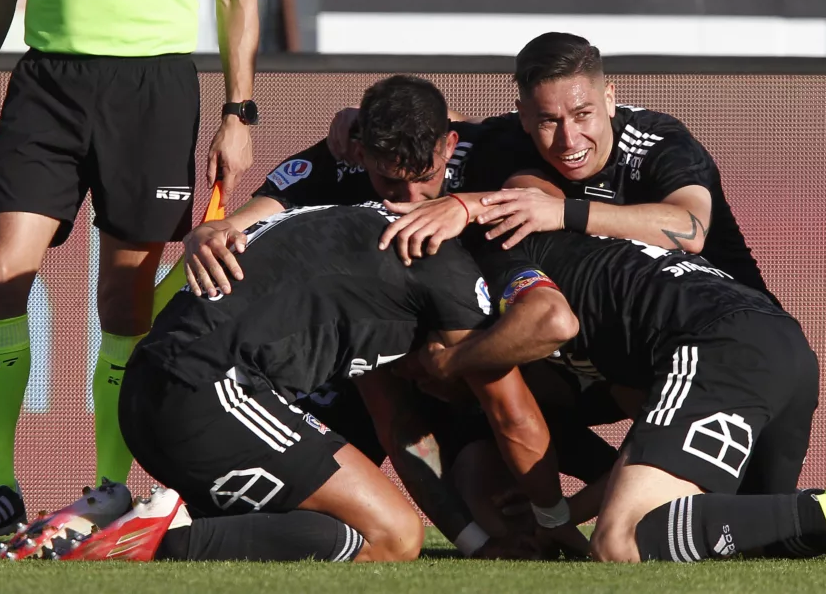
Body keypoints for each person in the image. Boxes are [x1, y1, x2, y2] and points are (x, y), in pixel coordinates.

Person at [179, 74, 620, 555]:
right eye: (389, 182)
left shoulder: (487, 148)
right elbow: (245, 222)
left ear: (450, 146)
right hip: (375, 376)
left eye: (425, 180)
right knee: (492, 530)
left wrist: (461, 207)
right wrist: (210, 232)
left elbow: (550, 198)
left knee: (595, 473)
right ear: (363, 153)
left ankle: (638, 478)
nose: (407, 205)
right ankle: (178, 522)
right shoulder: (337, 159)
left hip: (493, 362)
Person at [414, 175, 826, 564]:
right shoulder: (599, 269)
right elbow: (639, 448)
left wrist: (451, 360)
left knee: (620, 542)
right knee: (751, 541)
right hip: (780, 340)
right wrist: (563, 514)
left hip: (716, 342)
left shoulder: (501, 253)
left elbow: (551, 320)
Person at [17, 202, 582, 562]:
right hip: (207, 390)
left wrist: (475, 545)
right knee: (395, 536)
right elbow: (510, 412)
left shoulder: (360, 247)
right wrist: (552, 522)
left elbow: (401, 431)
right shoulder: (444, 272)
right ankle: (152, 539)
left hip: (154, 392)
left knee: (344, 534)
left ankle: (120, 520)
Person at [0, 0, 259, 546]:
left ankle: (108, 488)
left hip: (155, 92)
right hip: (48, 85)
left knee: (124, 302)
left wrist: (238, 112)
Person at [369, 32, 780, 307]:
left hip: (737, 318)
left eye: (583, 114)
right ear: (524, 117)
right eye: (549, 120)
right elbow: (448, 128)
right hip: (626, 328)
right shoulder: (514, 136)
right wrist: (357, 121)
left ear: (609, 98)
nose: (569, 140)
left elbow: (689, 229)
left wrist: (562, 212)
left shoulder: (658, 140)